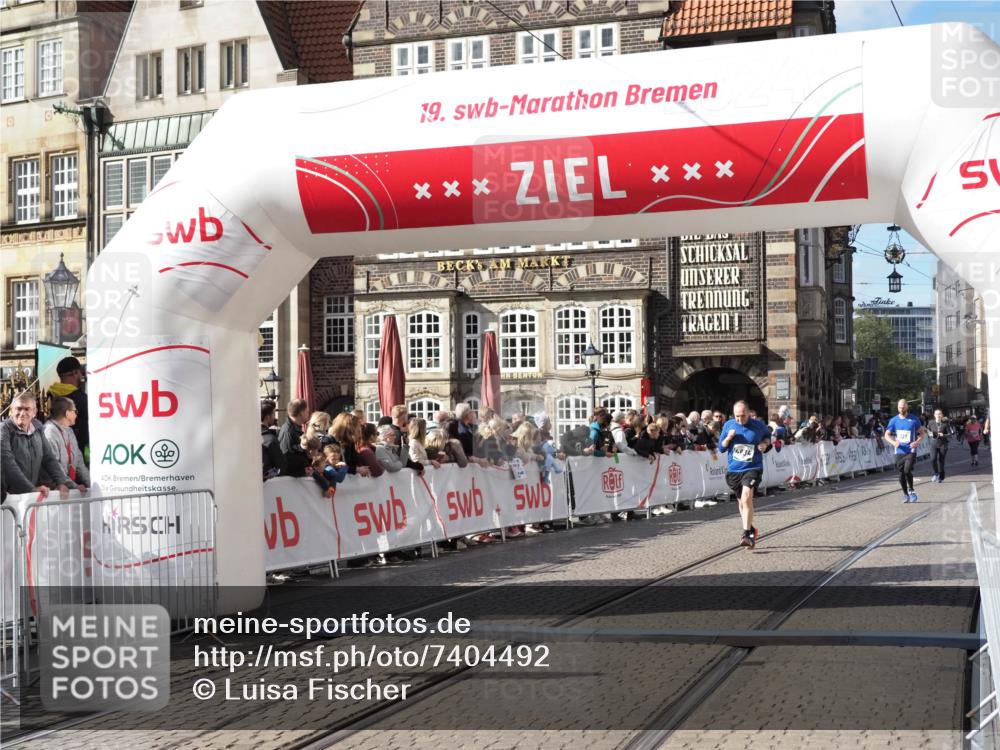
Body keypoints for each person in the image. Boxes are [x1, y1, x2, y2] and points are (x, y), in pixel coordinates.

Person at [1, 392, 78, 501]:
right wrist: (31, 489)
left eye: (27, 409)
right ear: (11, 411)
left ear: (34, 412)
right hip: (6, 499)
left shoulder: (38, 428)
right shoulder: (4, 430)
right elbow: (8, 464)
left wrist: (62, 482)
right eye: (18, 409)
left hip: (27, 498)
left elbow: (49, 458)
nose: (22, 413)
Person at [719, 400, 771, 549]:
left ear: (749, 413)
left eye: (742, 416)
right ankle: (752, 529)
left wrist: (765, 444)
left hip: (753, 467)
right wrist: (728, 438)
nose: (739, 419)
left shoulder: (758, 425)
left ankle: (746, 534)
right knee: (742, 503)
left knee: (747, 496)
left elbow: (768, 437)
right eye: (737, 416)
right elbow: (721, 448)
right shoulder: (729, 425)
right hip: (734, 470)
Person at [42, 397, 90, 488]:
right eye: (75, 411)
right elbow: (55, 466)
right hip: (54, 490)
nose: (76, 415)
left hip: (68, 488)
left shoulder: (69, 431)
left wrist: (92, 484)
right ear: (67, 413)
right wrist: (74, 486)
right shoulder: (49, 432)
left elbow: (79, 462)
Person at [48, 356, 89, 462]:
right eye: (80, 372)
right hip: (77, 454)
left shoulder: (50, 395)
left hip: (56, 452)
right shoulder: (81, 399)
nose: (81, 375)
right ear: (75, 373)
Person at [884, 399, 926, 502]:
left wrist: (917, 442)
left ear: (907, 407)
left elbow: (922, 433)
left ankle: (911, 490)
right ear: (897, 408)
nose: (901, 408)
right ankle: (905, 494)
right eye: (899, 407)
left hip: (911, 450)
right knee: (901, 473)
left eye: (903, 407)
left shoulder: (914, 419)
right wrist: (893, 442)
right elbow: (886, 434)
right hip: (899, 451)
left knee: (907, 470)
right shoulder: (894, 420)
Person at [278, 399, 310, 477]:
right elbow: (287, 458)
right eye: (307, 411)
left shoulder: (295, 429)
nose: (308, 413)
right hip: (292, 479)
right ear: (301, 413)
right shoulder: (288, 432)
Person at [925, 408, 953, 482]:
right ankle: (935, 473)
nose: (938, 415)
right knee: (932, 459)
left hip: (943, 444)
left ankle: (941, 477)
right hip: (933, 444)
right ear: (934, 415)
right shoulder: (930, 423)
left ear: (942, 415)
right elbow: (928, 431)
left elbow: (950, 434)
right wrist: (930, 434)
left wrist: (943, 435)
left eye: (939, 414)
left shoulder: (945, 424)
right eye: (937, 414)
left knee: (941, 461)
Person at [261, 400, 285, 479]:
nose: (275, 417)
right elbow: (281, 465)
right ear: (267, 417)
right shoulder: (270, 439)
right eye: (273, 414)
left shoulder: (250, 435)